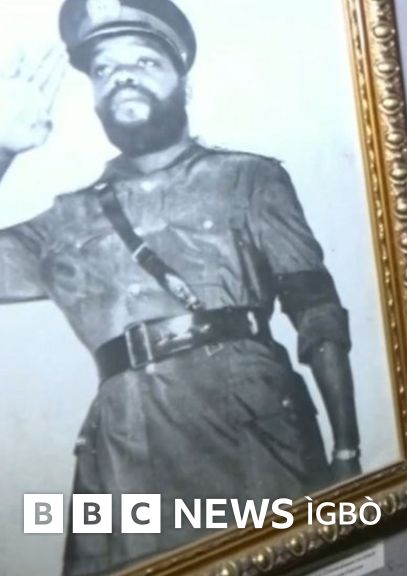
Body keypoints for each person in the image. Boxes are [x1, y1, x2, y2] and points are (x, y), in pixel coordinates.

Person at [0, 0, 361, 573]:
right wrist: (2, 148)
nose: (122, 76)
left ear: (184, 84)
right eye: (104, 69)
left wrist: (346, 451)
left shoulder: (249, 177)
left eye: (144, 61)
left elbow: (316, 310)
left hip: (252, 425)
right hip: (125, 448)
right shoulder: (66, 221)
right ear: (93, 98)